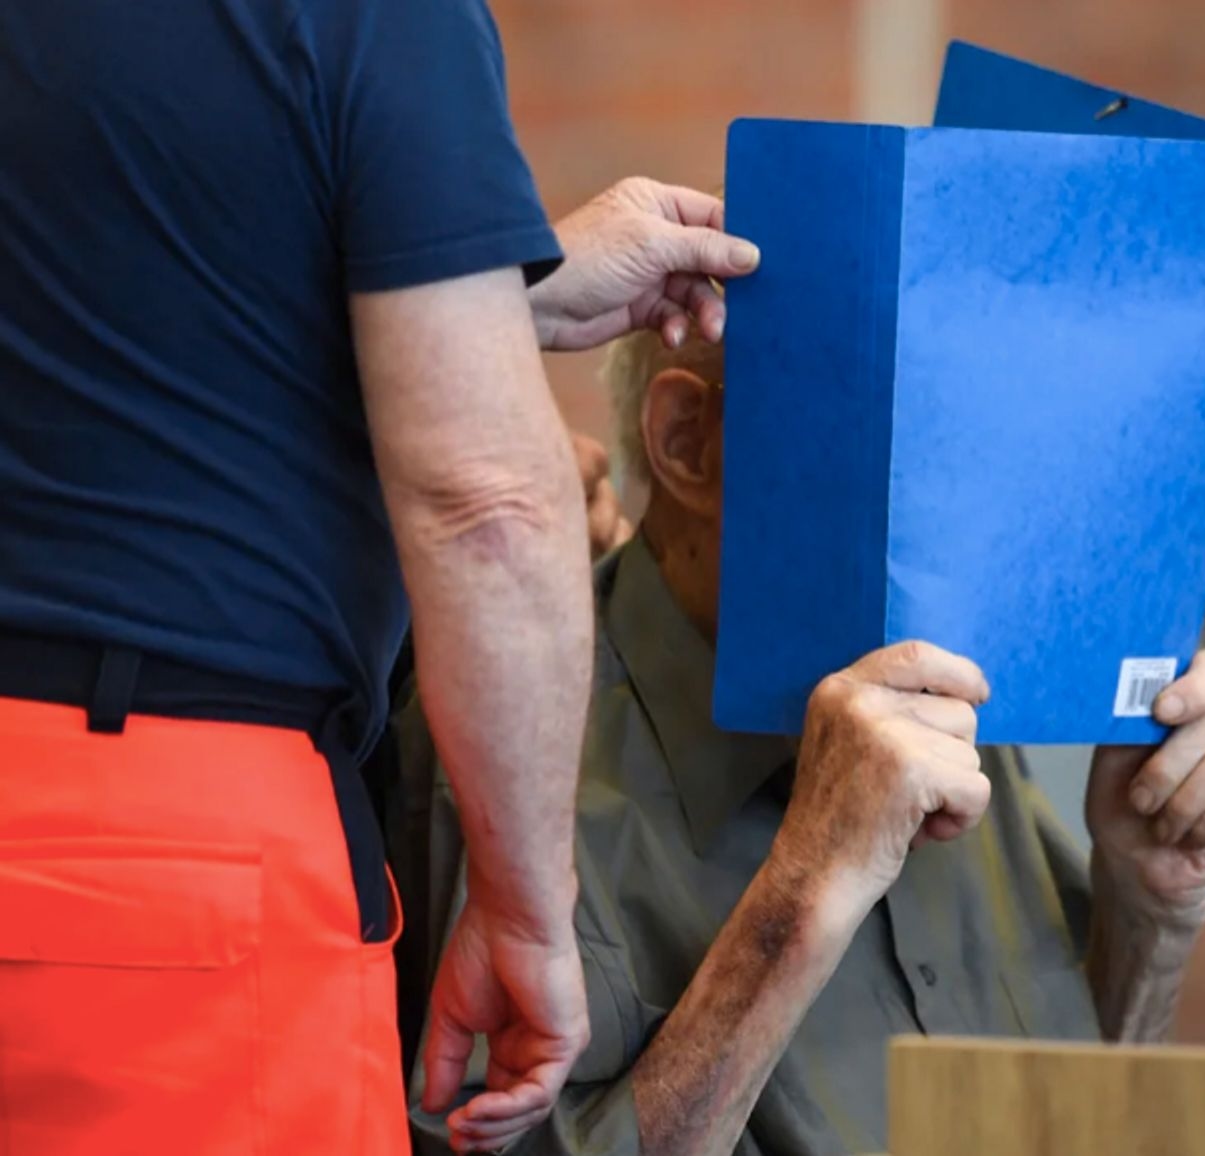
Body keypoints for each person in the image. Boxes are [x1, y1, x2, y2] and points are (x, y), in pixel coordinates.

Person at [0, 0, 758, 1151]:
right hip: (166, 870)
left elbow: (135, 294)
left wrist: (498, 287)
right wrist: (527, 910)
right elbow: (489, 508)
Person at [399, 331, 1205, 1155]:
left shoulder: (932, 680)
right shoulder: (517, 758)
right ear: (687, 442)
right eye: (910, 436)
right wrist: (807, 889)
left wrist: (1152, 906)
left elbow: (1085, 1121)